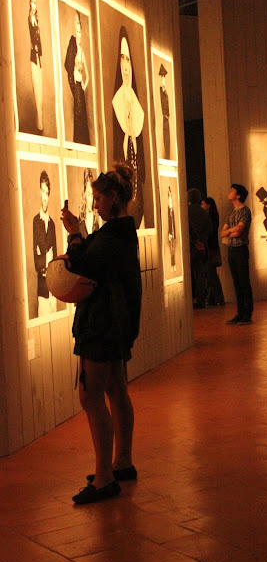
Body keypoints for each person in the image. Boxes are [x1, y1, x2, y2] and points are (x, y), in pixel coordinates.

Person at [61, 163, 142, 504]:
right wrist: (80, 235)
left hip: (101, 325)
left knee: (90, 396)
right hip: (115, 324)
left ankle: (104, 478)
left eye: (98, 198)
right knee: (116, 389)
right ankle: (121, 462)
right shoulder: (121, 232)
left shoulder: (113, 235)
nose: (95, 205)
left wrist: (74, 235)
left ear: (113, 197)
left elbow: (84, 265)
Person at [112, 26, 145, 229]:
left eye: (128, 59)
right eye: (122, 59)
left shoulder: (135, 100)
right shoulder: (117, 100)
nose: (125, 65)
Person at [221, 184, 253, 325]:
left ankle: (247, 314)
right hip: (231, 250)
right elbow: (222, 233)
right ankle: (240, 313)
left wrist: (230, 231)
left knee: (244, 282)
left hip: (240, 249)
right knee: (236, 282)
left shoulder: (245, 211)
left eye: (232, 190)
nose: (229, 192)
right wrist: (231, 231)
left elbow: (238, 232)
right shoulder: (231, 212)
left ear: (238, 195)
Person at [33, 170, 57, 316]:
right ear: (39, 192)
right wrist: (46, 259)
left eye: (47, 193)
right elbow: (37, 264)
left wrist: (46, 259)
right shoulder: (36, 222)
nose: (44, 197)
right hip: (42, 292)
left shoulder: (52, 224)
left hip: (54, 292)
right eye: (42, 191)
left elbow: (55, 259)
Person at [64, 11, 90, 144]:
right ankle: (78, 141)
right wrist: (73, 81)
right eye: (77, 32)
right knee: (78, 114)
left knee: (81, 115)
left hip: (80, 86)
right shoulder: (73, 47)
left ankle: (82, 141)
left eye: (80, 32)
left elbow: (88, 75)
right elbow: (68, 64)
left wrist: (84, 84)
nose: (79, 34)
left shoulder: (82, 53)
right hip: (76, 86)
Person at [188, 188, 211, 308]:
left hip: (190, 245)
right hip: (201, 246)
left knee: (190, 274)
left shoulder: (186, 211)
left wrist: (194, 239)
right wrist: (202, 240)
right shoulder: (204, 212)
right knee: (199, 273)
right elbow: (209, 229)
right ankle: (202, 299)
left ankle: (190, 299)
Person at [201, 196, 225, 306]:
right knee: (210, 273)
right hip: (213, 247)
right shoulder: (214, 216)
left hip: (210, 248)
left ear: (208, 205)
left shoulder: (209, 217)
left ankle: (218, 298)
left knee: (210, 273)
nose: (201, 206)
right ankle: (212, 298)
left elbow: (209, 233)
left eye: (203, 204)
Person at [28, 0, 43, 133]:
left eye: (35, 2)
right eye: (32, 2)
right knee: (36, 89)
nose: (34, 4)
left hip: (38, 58)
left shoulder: (36, 20)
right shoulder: (31, 19)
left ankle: (41, 123)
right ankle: (39, 124)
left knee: (41, 91)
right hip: (34, 57)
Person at [78, 167, 99, 238]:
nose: (91, 199)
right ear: (84, 195)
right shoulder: (80, 221)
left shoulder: (95, 222)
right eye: (88, 194)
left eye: (92, 194)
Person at [159, 63, 171, 160]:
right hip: (163, 119)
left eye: (164, 77)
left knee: (168, 139)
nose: (164, 79)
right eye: (162, 77)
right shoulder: (160, 92)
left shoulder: (165, 92)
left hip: (166, 119)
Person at [167, 185, 176, 273]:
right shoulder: (169, 211)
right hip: (171, 233)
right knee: (171, 250)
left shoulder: (172, 211)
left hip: (173, 232)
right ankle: (172, 264)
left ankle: (173, 264)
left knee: (173, 250)